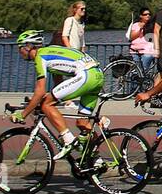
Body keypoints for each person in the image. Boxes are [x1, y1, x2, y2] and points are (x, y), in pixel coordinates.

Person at [11, 29, 103, 160]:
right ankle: (96, 159)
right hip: (97, 75)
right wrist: (37, 100)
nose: (19, 51)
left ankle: (68, 140)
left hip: (86, 75)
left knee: (46, 104)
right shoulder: (51, 51)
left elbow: (41, 90)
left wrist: (23, 114)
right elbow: (58, 81)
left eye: (20, 47)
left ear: (28, 46)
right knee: (82, 123)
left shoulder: (39, 56)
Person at [127, 7, 157, 82]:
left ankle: (140, 90)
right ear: (141, 16)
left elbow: (155, 37)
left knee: (143, 70)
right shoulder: (135, 25)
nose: (148, 16)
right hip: (134, 51)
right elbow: (132, 37)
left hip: (147, 51)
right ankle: (134, 91)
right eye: (145, 14)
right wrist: (141, 28)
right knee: (136, 72)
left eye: (149, 14)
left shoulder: (152, 26)